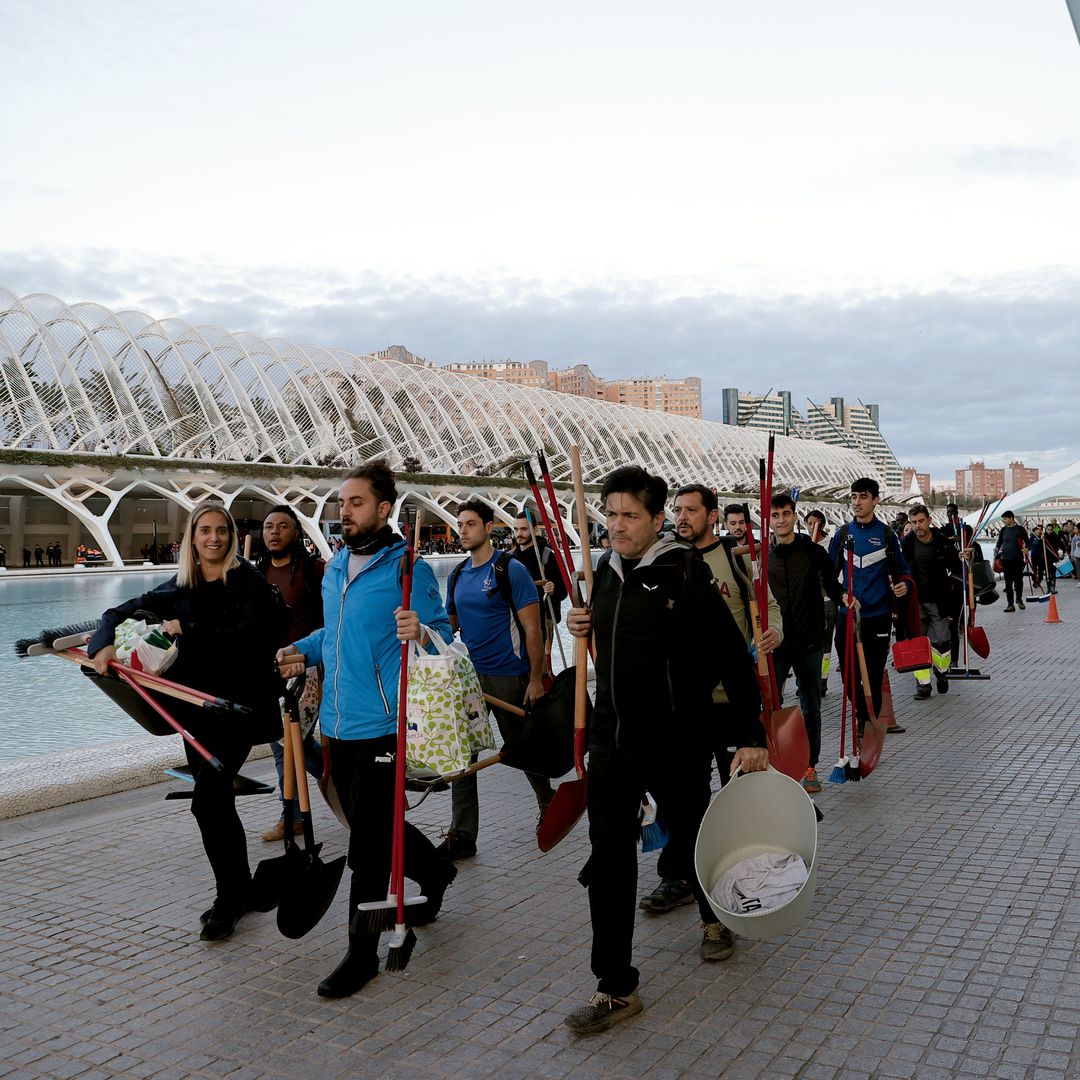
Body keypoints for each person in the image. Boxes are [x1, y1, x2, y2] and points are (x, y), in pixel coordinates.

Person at [563, 466, 766, 1035]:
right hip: (613, 739)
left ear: (657, 520)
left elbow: (732, 656)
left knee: (695, 836)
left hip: (677, 738)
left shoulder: (684, 575)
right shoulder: (601, 574)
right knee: (609, 861)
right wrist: (581, 622)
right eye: (610, 514)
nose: (617, 525)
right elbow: (600, 643)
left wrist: (751, 733)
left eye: (630, 515)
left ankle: (715, 917)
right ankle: (615, 987)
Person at [277, 462, 456, 998]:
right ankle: (437, 873)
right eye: (341, 503)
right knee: (367, 824)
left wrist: (421, 629)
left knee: (370, 846)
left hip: (383, 726)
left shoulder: (408, 569)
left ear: (383, 509)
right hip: (336, 723)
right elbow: (334, 634)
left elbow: (444, 638)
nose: (344, 512)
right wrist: (301, 652)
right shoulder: (335, 566)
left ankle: (362, 955)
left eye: (356, 503)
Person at [88, 501, 285, 941]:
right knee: (216, 803)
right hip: (197, 712)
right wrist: (100, 646)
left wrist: (188, 631)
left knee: (208, 802)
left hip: (237, 709)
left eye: (221, 530)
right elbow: (115, 614)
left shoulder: (248, 583)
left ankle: (228, 900)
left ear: (231, 537)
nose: (213, 538)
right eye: (205, 531)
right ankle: (243, 889)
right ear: (192, 539)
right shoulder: (179, 587)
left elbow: (252, 641)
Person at [637, 483, 780, 923]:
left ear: (712, 516)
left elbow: (767, 608)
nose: (682, 517)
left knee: (734, 795)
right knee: (683, 799)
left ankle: (738, 876)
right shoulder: (662, 563)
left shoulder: (735, 565)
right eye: (677, 510)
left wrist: (773, 631)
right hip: (684, 706)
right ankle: (677, 874)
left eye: (691, 510)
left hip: (731, 702)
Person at [441, 499, 551, 859]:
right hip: (471, 677)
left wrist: (535, 679)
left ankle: (546, 798)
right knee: (462, 753)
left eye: (471, 524)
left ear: (489, 527)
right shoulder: (457, 574)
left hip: (509, 674)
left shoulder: (510, 570)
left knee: (520, 748)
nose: (464, 530)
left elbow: (533, 630)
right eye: (461, 524)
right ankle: (462, 834)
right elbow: (450, 626)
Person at [256, 505, 327, 843]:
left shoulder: (314, 570)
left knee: (288, 739)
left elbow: (334, 619)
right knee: (282, 740)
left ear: (296, 532)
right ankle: (301, 808)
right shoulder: (258, 572)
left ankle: (330, 786)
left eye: (282, 526)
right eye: (268, 526)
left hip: (307, 668)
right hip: (273, 669)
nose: (273, 532)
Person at [769, 493, 845, 791]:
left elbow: (833, 584)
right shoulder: (764, 556)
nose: (781, 520)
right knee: (773, 707)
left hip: (810, 641)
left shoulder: (813, 552)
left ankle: (810, 766)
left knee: (810, 707)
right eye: (776, 515)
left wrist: (845, 598)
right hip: (775, 644)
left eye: (786, 514)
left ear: (794, 516)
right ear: (770, 520)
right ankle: (776, 765)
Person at [828, 478, 912, 737]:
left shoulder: (887, 535)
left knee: (874, 675)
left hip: (878, 617)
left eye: (863, 496)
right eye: (853, 496)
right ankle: (863, 714)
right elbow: (829, 579)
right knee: (848, 677)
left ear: (875, 500)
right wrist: (842, 595)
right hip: (847, 616)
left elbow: (904, 572)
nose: (856, 502)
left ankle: (867, 725)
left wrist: (903, 586)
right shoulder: (841, 535)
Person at [901, 505, 962, 700]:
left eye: (920, 521)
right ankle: (923, 686)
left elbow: (957, 568)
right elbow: (898, 569)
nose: (917, 525)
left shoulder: (942, 542)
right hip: (915, 601)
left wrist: (953, 585)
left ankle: (941, 673)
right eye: (913, 522)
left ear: (929, 520)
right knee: (918, 643)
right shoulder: (906, 544)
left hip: (939, 601)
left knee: (942, 641)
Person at [509, 508, 568, 662]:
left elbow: (563, 592)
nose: (518, 533)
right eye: (516, 529)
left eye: (523, 529)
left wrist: (553, 589)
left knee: (540, 662)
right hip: (515, 619)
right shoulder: (509, 558)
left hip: (544, 617)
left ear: (535, 530)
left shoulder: (548, 555)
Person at [805, 509, 835, 697]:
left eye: (815, 523)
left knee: (824, 642)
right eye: (809, 524)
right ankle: (807, 681)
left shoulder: (830, 544)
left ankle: (821, 681)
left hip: (827, 600)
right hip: (808, 600)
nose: (812, 527)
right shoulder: (804, 544)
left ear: (822, 525)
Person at [993, 511, 1029, 611]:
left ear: (1011, 518)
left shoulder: (1020, 529)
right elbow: (999, 542)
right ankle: (1010, 604)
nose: (1004, 521)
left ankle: (1019, 599)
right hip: (1006, 559)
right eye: (1003, 519)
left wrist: (1027, 549)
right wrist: (996, 549)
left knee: (1018, 581)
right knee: (1008, 583)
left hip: (1017, 559)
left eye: (1005, 519)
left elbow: (1028, 542)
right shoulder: (1003, 530)